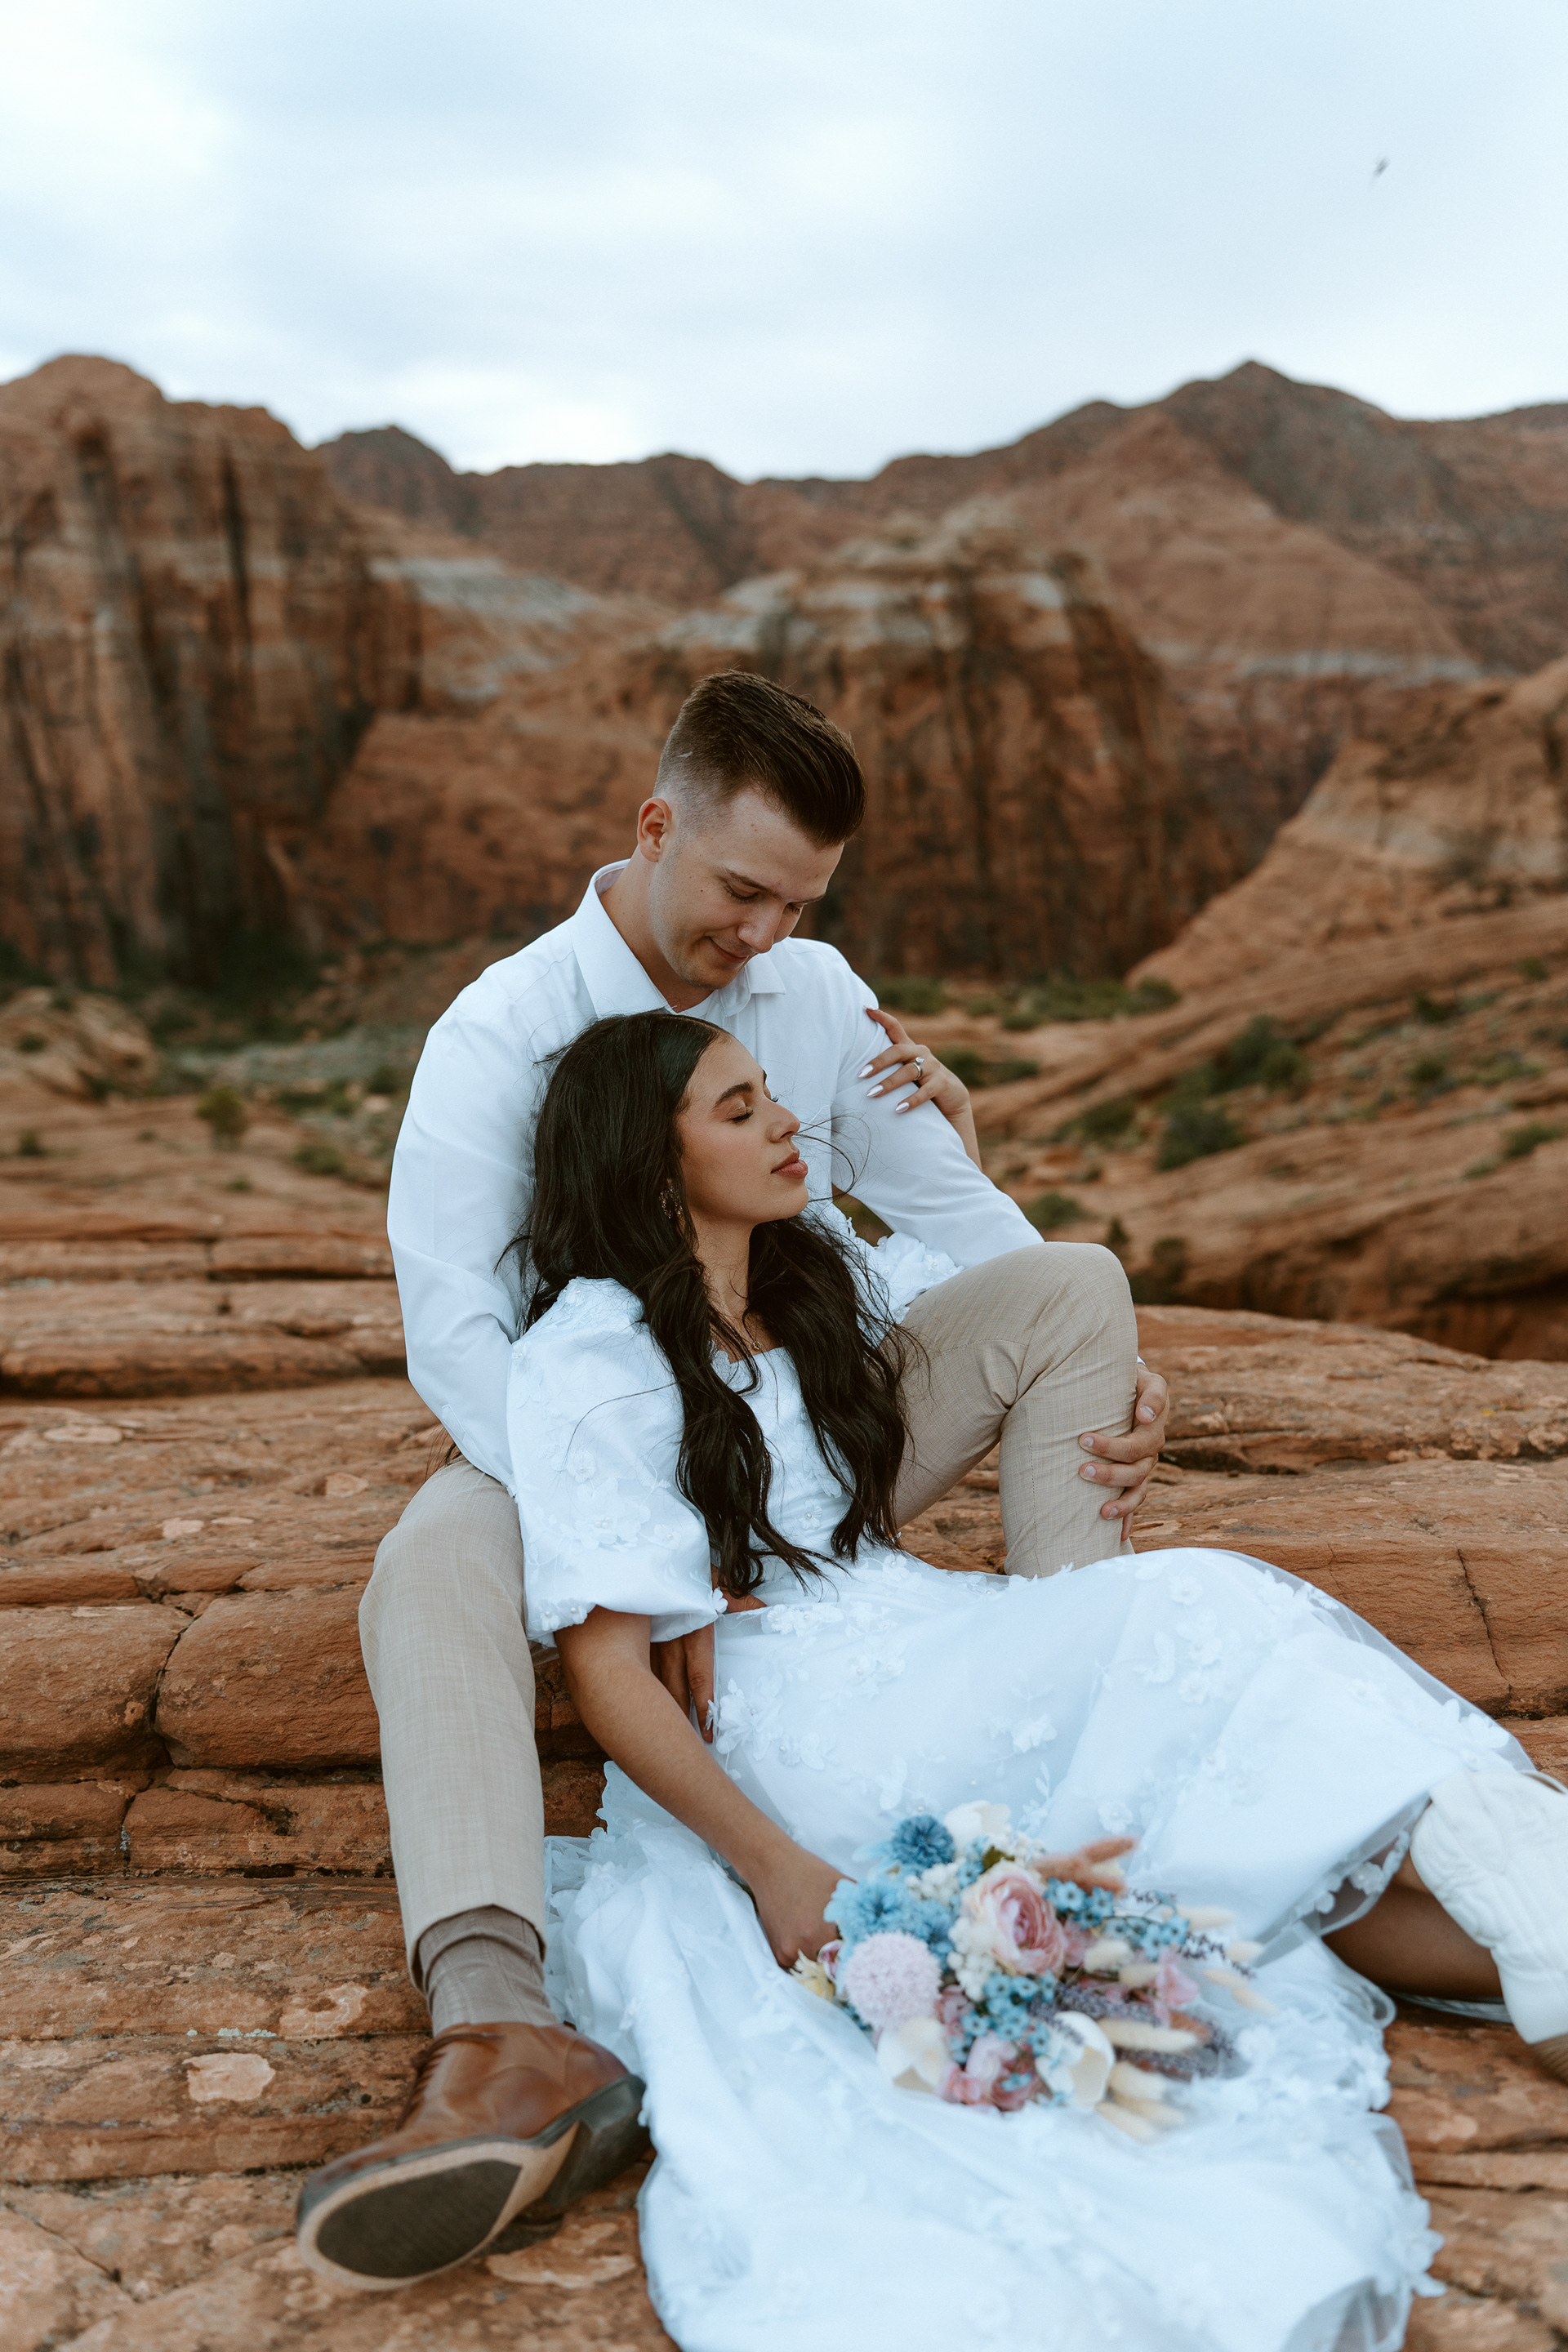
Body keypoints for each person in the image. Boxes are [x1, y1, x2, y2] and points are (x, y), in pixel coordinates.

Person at [363, 1010, 1566, 2345]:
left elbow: (1004, 1285)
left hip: (928, 1633)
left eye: (774, 1098)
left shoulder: (812, 1276)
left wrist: (965, 1140)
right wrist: (771, 1865)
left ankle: (1548, 1956)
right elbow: (611, 1675)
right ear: (655, 1166)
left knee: (1208, 1830)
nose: (785, 1126)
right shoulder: (594, 1354)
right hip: (803, 1716)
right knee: (1212, 1614)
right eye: (741, 1109)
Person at [295, 671, 1173, 2288]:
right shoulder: (497, 1033)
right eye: (743, 892)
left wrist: (1099, 1366)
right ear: (655, 829)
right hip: (598, 1444)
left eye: (802, 904)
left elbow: (964, 1222)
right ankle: (500, 2031)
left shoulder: (820, 995)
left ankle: (1077, 1739)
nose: (767, 937)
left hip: (816, 1419)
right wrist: (652, 1543)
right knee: (430, 1557)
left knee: (1075, 1290)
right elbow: (460, 1337)